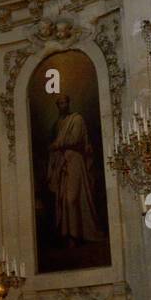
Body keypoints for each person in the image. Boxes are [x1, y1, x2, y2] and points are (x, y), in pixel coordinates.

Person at [46, 94, 102, 243]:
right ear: (58, 106)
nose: (62, 106)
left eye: (64, 103)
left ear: (68, 104)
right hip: (61, 161)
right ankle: (69, 235)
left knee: (72, 198)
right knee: (63, 198)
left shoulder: (77, 119)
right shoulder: (58, 123)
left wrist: (57, 145)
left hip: (75, 159)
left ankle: (77, 234)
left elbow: (75, 139)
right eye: (60, 104)